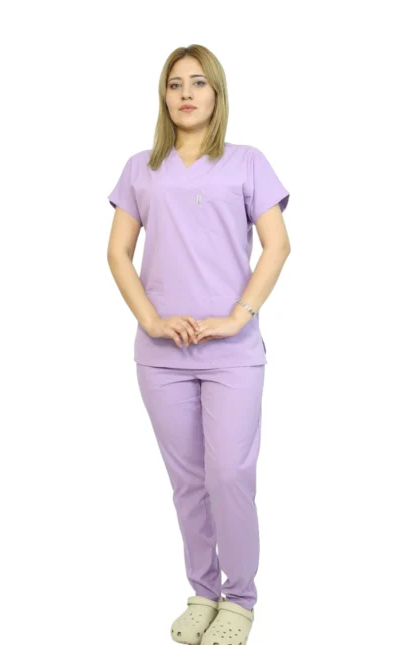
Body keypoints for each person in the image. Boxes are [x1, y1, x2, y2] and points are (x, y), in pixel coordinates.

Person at [107, 44, 290, 645]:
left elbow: (278, 246)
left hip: (232, 354)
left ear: (217, 93)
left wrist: (238, 317)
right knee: (188, 481)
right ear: (164, 96)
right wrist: (153, 321)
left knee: (229, 474)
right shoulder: (140, 168)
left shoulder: (247, 162)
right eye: (175, 83)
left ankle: (240, 599)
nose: (186, 93)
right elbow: (118, 253)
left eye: (199, 82)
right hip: (162, 357)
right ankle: (203, 593)